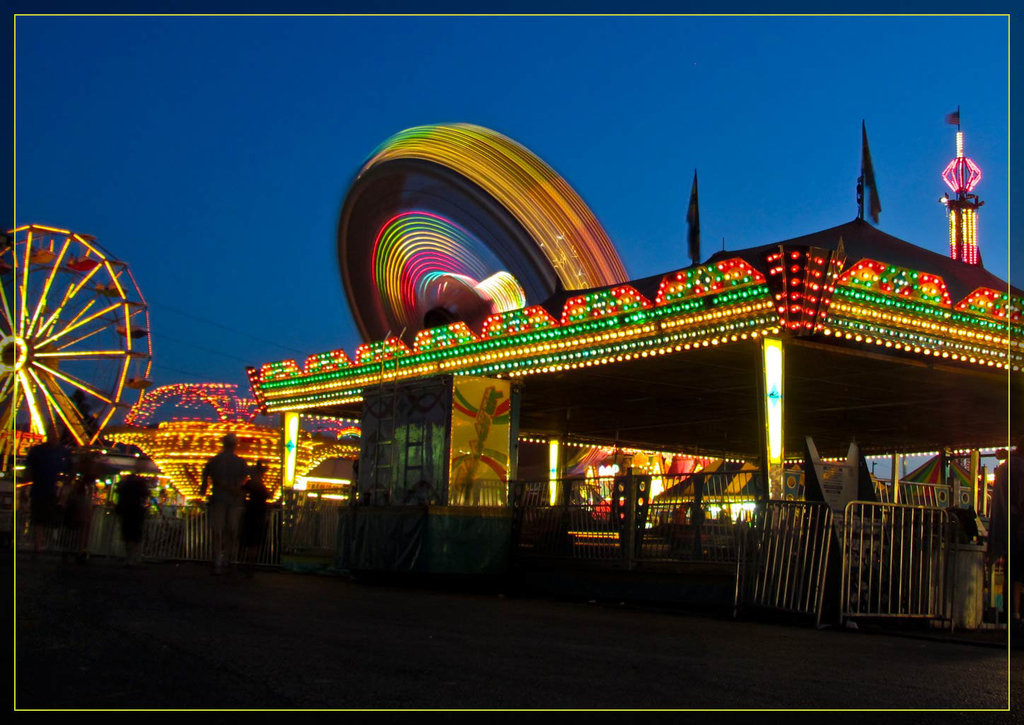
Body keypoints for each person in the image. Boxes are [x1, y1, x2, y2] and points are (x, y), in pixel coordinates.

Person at [200, 433, 249, 574]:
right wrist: (235, 488)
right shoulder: (240, 462)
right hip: (234, 501)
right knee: (232, 530)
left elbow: (205, 481)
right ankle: (230, 558)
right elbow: (244, 480)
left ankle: (217, 560)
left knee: (218, 530)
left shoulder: (214, 461)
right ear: (235, 445)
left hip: (219, 500)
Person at [989, 436, 1024, 627]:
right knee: (1018, 575)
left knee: (1011, 574)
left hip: (1008, 528)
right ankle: (1015, 615)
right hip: (1019, 527)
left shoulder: (1006, 468)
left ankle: (1010, 614)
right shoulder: (1020, 469)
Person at [24, 432, 72, 557]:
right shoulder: (58, 452)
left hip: (45, 489)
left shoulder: (42, 451)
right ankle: (40, 543)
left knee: (43, 518)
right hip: (45, 489)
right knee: (42, 518)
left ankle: (40, 543)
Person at [116, 461, 151, 566]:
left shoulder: (128, 482)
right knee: (134, 535)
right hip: (135, 510)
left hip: (129, 510)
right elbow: (146, 494)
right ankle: (132, 557)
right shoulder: (138, 483)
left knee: (129, 535)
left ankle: (130, 557)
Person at [241, 459, 270, 575]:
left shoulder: (249, 484)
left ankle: (248, 564)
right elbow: (268, 496)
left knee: (250, 541)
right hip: (259, 514)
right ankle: (251, 564)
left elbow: (241, 493)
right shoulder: (261, 486)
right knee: (255, 542)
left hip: (250, 513)